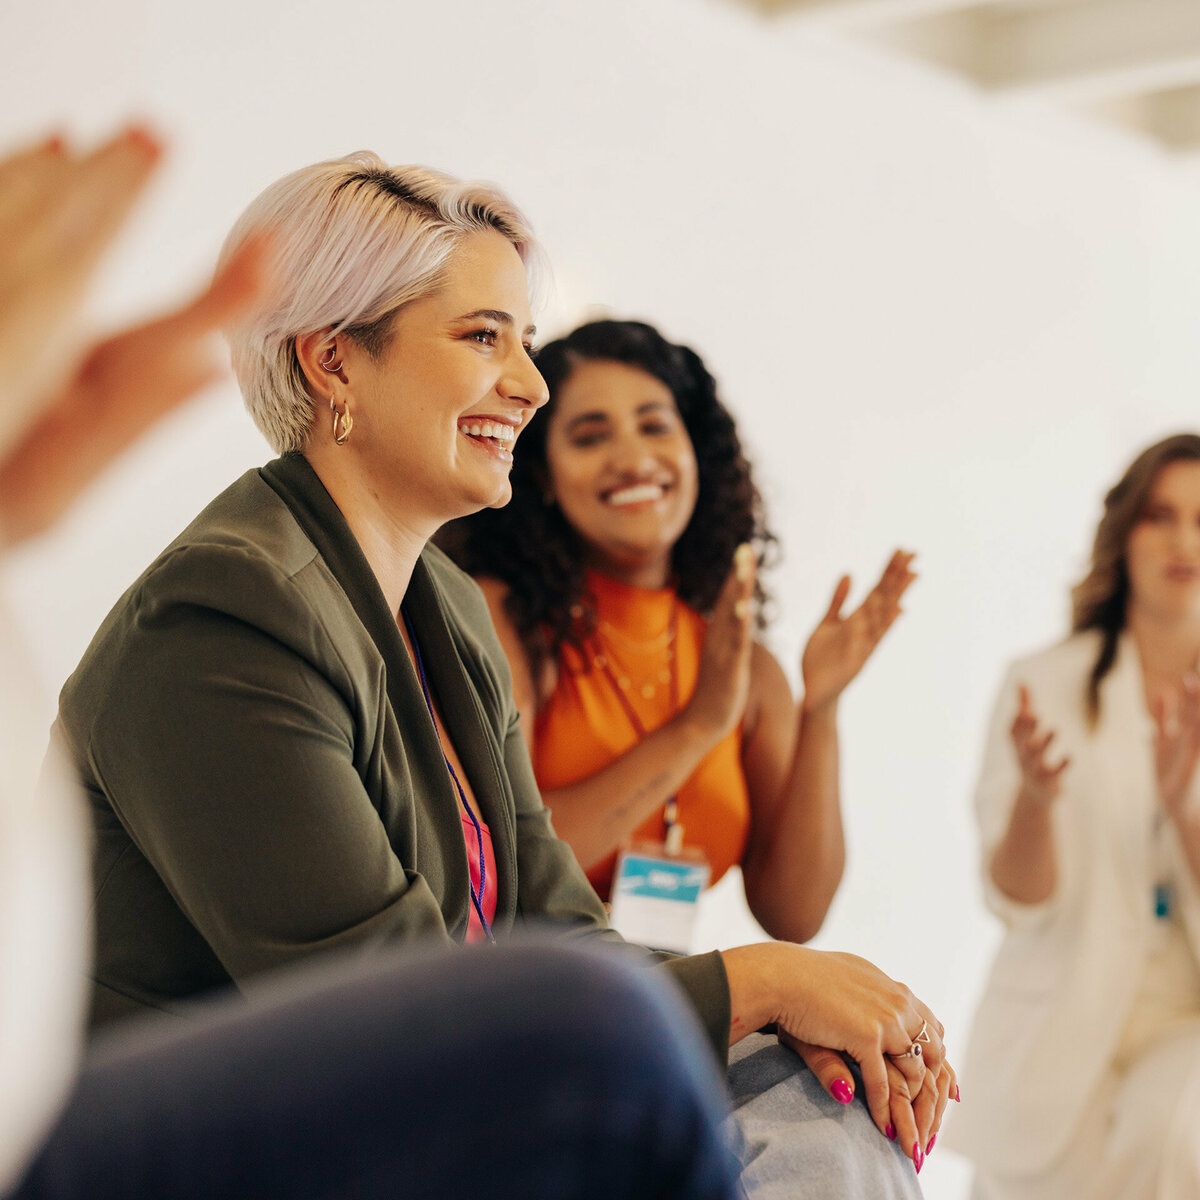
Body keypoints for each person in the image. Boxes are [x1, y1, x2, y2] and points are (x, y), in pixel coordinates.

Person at [49, 151, 953, 1189]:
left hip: (424, 1119)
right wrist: (765, 977)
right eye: (485, 338)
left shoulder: (447, 612)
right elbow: (389, 1009)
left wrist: (803, 1003)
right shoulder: (222, 615)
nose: (529, 383)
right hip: (252, 1155)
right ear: (333, 363)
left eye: (522, 341)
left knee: (812, 1094)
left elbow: (558, 931)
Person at [437, 318, 916, 947]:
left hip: (658, 998)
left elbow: (794, 914)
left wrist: (821, 710)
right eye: (590, 436)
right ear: (544, 476)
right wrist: (697, 728)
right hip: (522, 992)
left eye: (655, 426)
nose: (633, 458)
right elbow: (505, 864)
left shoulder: (744, 668)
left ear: (697, 456)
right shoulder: (500, 618)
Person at [950, 434, 1200, 1199]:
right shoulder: (1042, 686)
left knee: (1176, 1134)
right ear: (1125, 535)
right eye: (1161, 516)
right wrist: (1035, 797)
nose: (1185, 540)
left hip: (1183, 1022)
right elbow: (1018, 902)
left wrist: (1182, 804)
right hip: (1058, 1019)